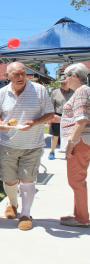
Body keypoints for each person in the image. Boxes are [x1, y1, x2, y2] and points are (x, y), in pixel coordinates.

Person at [0, 62, 54, 231]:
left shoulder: (39, 90)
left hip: (32, 144)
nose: (21, 77)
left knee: (28, 180)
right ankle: (12, 204)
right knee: (9, 180)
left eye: (23, 73)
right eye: (17, 74)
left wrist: (34, 123)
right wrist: (0, 124)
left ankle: (26, 214)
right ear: (8, 76)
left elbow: (50, 113)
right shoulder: (2, 93)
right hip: (8, 143)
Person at [59, 63, 90, 227]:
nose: (65, 80)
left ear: (75, 76)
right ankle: (79, 213)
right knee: (78, 180)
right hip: (82, 141)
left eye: (66, 76)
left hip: (79, 142)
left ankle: (82, 218)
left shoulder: (81, 91)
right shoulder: (83, 91)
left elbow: (82, 119)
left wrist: (71, 143)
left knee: (76, 181)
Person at [48, 75, 74, 159]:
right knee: (55, 135)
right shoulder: (55, 92)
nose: (62, 85)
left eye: (64, 83)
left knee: (69, 135)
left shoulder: (74, 92)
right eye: (61, 83)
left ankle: (68, 152)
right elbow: (51, 105)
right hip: (57, 115)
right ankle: (52, 152)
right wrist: (50, 117)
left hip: (70, 116)